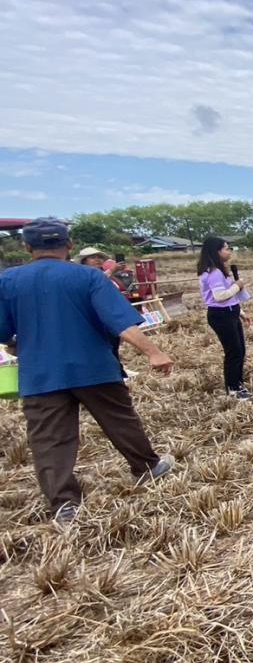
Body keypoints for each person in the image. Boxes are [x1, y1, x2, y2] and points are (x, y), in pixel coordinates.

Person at [0, 218, 174, 523]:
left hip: (41, 373)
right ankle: (147, 467)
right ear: (69, 245)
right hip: (94, 367)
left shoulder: (9, 281)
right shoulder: (89, 277)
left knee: (49, 439)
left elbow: (3, 332)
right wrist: (154, 352)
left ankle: (64, 503)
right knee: (120, 421)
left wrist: (19, 342)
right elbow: (120, 321)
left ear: (27, 247)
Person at [198, 237, 253, 401]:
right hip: (221, 315)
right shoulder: (214, 272)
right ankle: (233, 389)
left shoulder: (220, 270)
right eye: (226, 248)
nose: (229, 252)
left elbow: (229, 297)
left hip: (230, 312)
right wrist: (238, 285)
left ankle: (238, 384)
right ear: (216, 251)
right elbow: (220, 296)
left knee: (240, 350)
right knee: (234, 352)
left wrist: (241, 312)